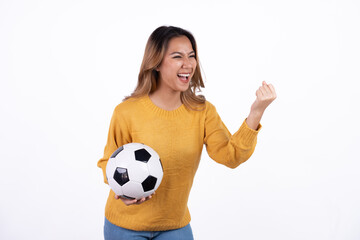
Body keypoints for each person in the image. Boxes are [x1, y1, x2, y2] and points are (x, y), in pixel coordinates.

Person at [97, 26, 276, 240]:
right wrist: (122, 193)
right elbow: (109, 163)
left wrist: (256, 111)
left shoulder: (202, 111)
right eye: (177, 56)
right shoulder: (126, 112)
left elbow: (231, 155)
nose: (188, 64)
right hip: (125, 227)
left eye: (192, 56)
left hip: (175, 225)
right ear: (156, 63)